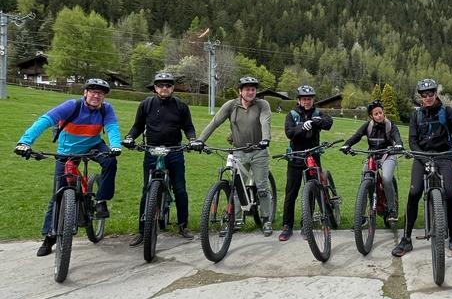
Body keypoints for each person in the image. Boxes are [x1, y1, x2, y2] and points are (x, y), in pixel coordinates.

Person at [14, 78, 122, 256]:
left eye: (100, 93)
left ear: (104, 96)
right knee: (57, 194)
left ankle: (102, 201)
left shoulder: (106, 109)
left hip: (94, 145)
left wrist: (115, 145)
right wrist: (24, 142)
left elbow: (112, 127)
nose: (96, 95)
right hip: (67, 150)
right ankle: (49, 238)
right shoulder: (72, 105)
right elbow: (45, 120)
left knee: (110, 161)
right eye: (93, 91)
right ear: (85, 93)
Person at [392, 78, 452, 259]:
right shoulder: (417, 115)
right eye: (424, 95)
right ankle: (406, 239)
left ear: (436, 94)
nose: (427, 97)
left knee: (451, 193)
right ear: (420, 96)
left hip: (444, 156)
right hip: (422, 157)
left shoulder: (448, 111)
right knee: (414, 193)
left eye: (431, 93)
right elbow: (413, 141)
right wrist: (421, 156)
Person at [191, 76, 273, 235]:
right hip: (239, 151)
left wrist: (265, 139)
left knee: (262, 187)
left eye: (253, 89)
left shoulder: (263, 105)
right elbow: (214, 122)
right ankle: (235, 221)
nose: (250, 92)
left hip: (259, 151)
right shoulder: (231, 106)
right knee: (236, 188)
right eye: (247, 89)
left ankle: (266, 219)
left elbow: (265, 122)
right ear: (240, 91)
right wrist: (200, 140)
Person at [122, 71, 198, 243]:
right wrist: (129, 137)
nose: (164, 88)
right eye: (161, 85)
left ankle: (183, 225)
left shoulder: (181, 106)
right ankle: (142, 231)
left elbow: (189, 128)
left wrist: (193, 140)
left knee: (180, 189)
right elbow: (137, 127)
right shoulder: (146, 104)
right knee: (146, 191)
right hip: (151, 151)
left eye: (168, 85)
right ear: (155, 88)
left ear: (173, 88)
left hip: (174, 151)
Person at [278, 85, 333, 241]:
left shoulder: (317, 113)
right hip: (296, 157)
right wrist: (302, 126)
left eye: (309, 99)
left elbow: (329, 123)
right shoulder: (292, 114)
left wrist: (318, 121)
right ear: (299, 100)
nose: (307, 102)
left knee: (311, 191)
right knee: (291, 193)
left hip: (313, 157)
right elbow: (289, 133)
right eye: (304, 99)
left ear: (312, 100)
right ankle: (287, 226)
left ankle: (305, 225)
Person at [341, 100, 403, 226]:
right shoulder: (367, 126)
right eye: (376, 114)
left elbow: (397, 137)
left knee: (386, 178)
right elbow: (356, 136)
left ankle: (391, 210)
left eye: (380, 112)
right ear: (371, 116)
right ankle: (361, 216)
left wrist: (398, 144)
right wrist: (347, 144)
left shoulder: (390, 125)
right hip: (372, 156)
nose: (379, 115)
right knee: (365, 179)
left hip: (388, 155)